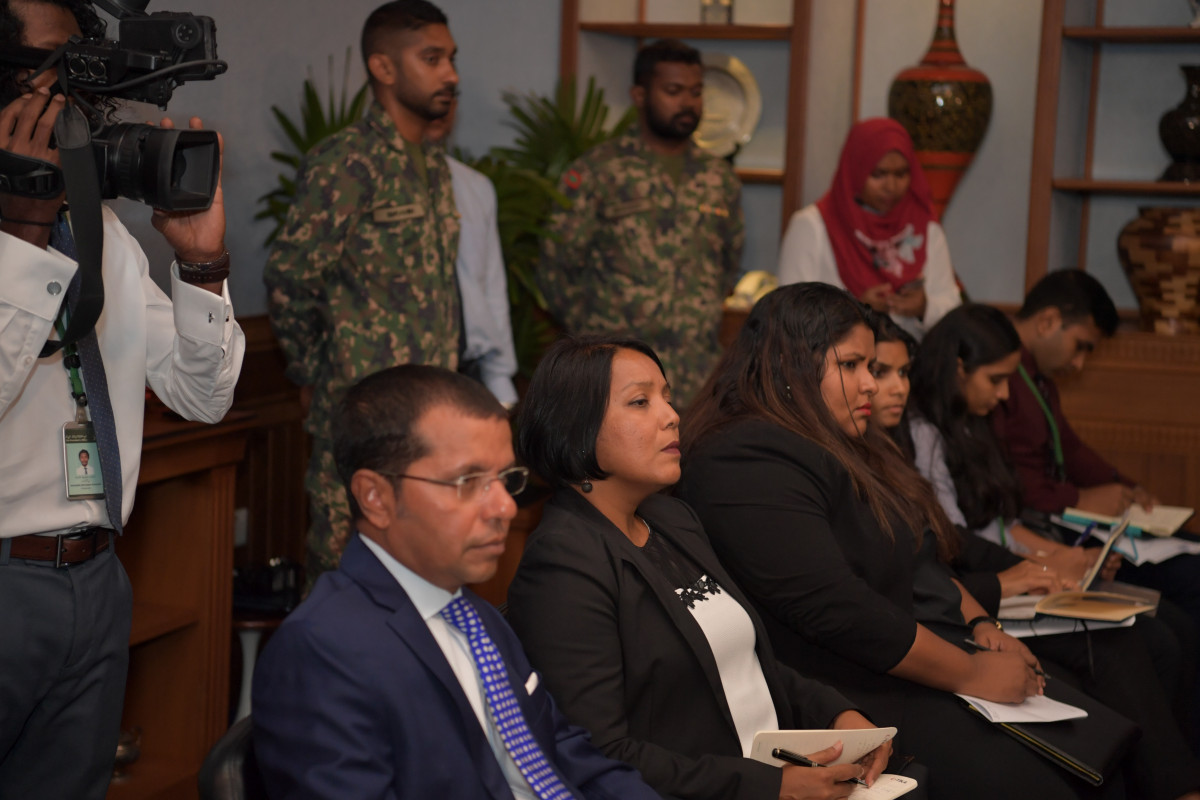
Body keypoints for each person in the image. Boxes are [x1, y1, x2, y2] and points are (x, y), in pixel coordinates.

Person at [678, 283, 1106, 799]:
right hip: (832, 689)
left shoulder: (822, 438)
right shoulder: (746, 452)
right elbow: (837, 607)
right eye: (853, 367)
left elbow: (916, 553)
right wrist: (969, 671)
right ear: (794, 365)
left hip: (881, 660)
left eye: (874, 368)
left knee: (1083, 731)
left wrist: (978, 627)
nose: (872, 386)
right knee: (1037, 779)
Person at [0, 1, 244, 797]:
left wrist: (202, 266)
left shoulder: (97, 223)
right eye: (49, 63)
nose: (70, 91)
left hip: (99, 580)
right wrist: (23, 239)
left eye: (82, 65)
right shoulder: (40, 224)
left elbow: (201, 397)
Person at [507, 335, 895, 800]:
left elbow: (746, 661)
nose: (672, 416)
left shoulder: (673, 520)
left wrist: (837, 716)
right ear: (576, 427)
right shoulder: (563, 563)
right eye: (640, 402)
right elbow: (599, 753)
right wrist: (773, 788)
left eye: (668, 397)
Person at [252, 364, 661, 800]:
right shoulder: (321, 651)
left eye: (505, 479)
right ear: (376, 497)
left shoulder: (475, 614)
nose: (505, 506)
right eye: (468, 482)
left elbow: (558, 746)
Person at [900, 304, 1200, 797]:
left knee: (1166, 631)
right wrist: (1034, 566)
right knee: (1124, 643)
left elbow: (1003, 519)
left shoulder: (972, 420)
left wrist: (1056, 560)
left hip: (1002, 573)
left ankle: (1172, 778)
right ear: (957, 368)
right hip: (976, 590)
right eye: (996, 380)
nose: (1002, 396)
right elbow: (953, 538)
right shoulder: (921, 432)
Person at [264, 0, 463, 579]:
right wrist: (311, 373)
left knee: (426, 573)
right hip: (363, 412)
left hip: (432, 415)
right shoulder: (346, 161)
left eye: (451, 58)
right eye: (432, 58)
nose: (450, 73)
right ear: (383, 67)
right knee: (345, 570)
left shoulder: (433, 161)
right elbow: (292, 278)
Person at [540, 38, 744, 407]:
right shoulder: (598, 170)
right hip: (617, 376)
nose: (688, 103)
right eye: (673, 91)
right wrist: (595, 337)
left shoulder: (719, 177)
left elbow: (728, 263)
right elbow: (557, 267)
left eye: (696, 92)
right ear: (639, 94)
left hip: (697, 374)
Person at [777, 118, 960, 340]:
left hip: (910, 366)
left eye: (901, 174)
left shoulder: (924, 227)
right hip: (834, 368)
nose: (891, 187)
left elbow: (952, 309)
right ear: (855, 170)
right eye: (878, 174)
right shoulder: (812, 225)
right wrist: (854, 309)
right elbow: (788, 314)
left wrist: (924, 308)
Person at [425, 98, 519, 407]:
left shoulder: (475, 186)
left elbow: (491, 288)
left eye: (450, 100)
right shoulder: (368, 178)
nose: (442, 109)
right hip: (403, 376)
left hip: (469, 374)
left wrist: (500, 382)